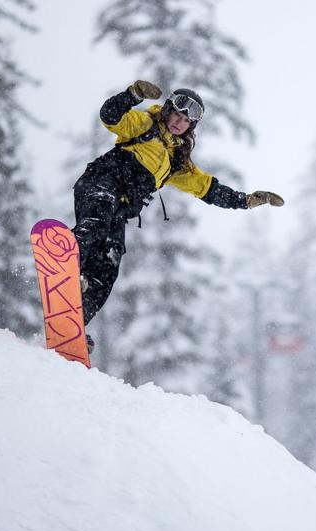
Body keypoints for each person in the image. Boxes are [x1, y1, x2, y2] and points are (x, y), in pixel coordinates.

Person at [72, 80, 284, 350]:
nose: (180, 122)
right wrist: (133, 95)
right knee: (95, 226)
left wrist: (246, 201)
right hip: (100, 185)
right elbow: (110, 116)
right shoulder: (144, 125)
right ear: (167, 110)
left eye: (187, 121)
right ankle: (68, 257)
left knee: (109, 267)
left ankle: (75, 319)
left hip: (119, 209)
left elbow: (207, 188)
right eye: (177, 115)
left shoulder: (176, 163)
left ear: (191, 127)